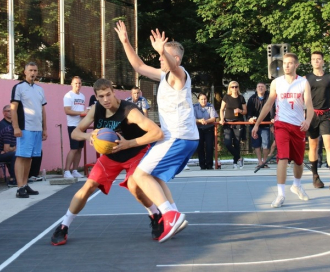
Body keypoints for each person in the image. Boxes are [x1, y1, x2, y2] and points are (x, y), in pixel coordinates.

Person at [51, 78, 164, 245]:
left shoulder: (129, 111)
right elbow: (75, 133)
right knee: (88, 187)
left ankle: (155, 215)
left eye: (108, 94)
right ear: (96, 97)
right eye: (101, 96)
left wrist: (128, 143)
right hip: (111, 155)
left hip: (135, 152)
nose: (105, 99)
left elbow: (157, 133)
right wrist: (89, 136)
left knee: (134, 186)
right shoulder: (96, 109)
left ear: (114, 92)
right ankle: (64, 226)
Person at [114, 21, 199, 243]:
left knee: (139, 175)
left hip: (178, 136)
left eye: (163, 56)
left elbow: (174, 68)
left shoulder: (180, 76)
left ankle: (169, 215)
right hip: (178, 137)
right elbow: (139, 66)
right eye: (161, 55)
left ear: (176, 59)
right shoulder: (163, 76)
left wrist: (163, 50)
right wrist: (125, 42)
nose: (160, 58)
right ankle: (174, 212)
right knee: (154, 176)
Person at [252, 53, 314, 208]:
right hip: (281, 124)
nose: (286, 66)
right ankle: (280, 194)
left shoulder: (303, 83)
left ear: (296, 65)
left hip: (298, 126)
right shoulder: (276, 83)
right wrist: (257, 123)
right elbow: (268, 104)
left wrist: (307, 121)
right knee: (283, 158)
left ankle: (297, 185)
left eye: (290, 63)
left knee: (298, 161)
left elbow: (310, 106)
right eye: (285, 63)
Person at [11, 62, 47, 199]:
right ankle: (19, 187)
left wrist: (45, 128)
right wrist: (16, 127)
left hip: (37, 128)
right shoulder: (19, 88)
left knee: (30, 157)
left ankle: (25, 184)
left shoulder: (39, 89)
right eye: (30, 70)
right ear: (25, 72)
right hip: (25, 128)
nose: (33, 73)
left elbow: (43, 110)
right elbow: (13, 108)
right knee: (21, 156)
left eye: (35, 70)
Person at [306, 51, 330, 191]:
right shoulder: (306, 78)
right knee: (313, 146)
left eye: (318, 59)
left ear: (323, 61)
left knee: (329, 145)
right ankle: (315, 175)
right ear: (311, 62)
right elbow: (303, 99)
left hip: (326, 115)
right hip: (311, 115)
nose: (316, 61)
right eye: (313, 59)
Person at [219, 81, 247, 169]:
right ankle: (239, 158)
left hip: (238, 122)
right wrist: (222, 119)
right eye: (232, 87)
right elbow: (221, 109)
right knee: (227, 143)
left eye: (236, 87)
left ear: (238, 88)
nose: (234, 89)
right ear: (229, 88)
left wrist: (240, 111)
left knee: (236, 142)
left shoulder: (241, 98)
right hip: (228, 122)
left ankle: (235, 162)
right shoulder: (226, 97)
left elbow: (245, 111)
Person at [63, 76, 86, 179]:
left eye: (80, 83)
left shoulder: (82, 96)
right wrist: (81, 113)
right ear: (71, 84)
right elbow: (67, 111)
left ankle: (75, 170)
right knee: (73, 148)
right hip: (73, 126)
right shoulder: (68, 96)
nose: (78, 85)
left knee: (80, 149)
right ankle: (67, 171)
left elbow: (83, 111)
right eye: (76, 83)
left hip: (82, 126)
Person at [247, 82, 274, 168]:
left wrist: (272, 120)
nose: (260, 88)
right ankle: (259, 161)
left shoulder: (270, 98)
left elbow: (272, 110)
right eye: (259, 86)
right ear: (256, 88)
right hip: (254, 125)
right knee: (256, 144)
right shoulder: (252, 99)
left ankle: (264, 161)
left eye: (262, 86)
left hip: (265, 125)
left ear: (266, 88)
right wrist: (250, 118)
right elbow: (249, 112)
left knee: (266, 144)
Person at [193, 93, 218, 170]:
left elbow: (213, 118)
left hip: (209, 128)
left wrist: (206, 121)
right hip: (199, 129)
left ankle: (209, 165)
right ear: (198, 100)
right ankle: (202, 165)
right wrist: (200, 120)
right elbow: (192, 118)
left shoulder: (210, 106)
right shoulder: (195, 107)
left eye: (205, 99)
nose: (204, 101)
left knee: (209, 147)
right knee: (200, 147)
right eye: (202, 99)